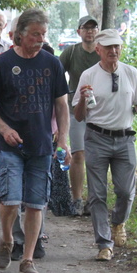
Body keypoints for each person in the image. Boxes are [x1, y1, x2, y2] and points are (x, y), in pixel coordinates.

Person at [0, 8, 70, 273]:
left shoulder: (51, 63)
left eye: (43, 34)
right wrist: (3, 128)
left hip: (42, 145)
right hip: (11, 146)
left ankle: (28, 259)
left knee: (36, 203)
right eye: (34, 34)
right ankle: (7, 239)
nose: (40, 39)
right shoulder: (1, 63)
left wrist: (63, 139)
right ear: (20, 35)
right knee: (10, 200)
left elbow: (62, 105)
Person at [73, 29, 137, 262]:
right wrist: (82, 98)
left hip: (124, 139)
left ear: (121, 48)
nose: (113, 51)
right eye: (108, 47)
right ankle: (104, 244)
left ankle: (119, 221)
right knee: (97, 195)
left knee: (125, 191)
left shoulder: (131, 73)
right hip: (96, 138)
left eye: (117, 46)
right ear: (98, 49)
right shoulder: (88, 75)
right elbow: (79, 116)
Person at [59, 15, 101, 216]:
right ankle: (76, 199)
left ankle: (95, 200)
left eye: (93, 28)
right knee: (78, 153)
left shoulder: (103, 51)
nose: (90, 31)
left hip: (101, 109)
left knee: (98, 156)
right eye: (86, 28)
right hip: (76, 109)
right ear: (79, 32)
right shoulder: (72, 51)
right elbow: (58, 76)